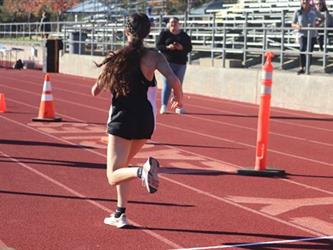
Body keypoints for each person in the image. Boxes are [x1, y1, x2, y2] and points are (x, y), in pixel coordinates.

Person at [91, 13, 183, 228]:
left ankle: (141, 171)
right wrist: (178, 99)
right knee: (122, 166)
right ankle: (120, 213)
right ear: (147, 33)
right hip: (145, 119)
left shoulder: (116, 57)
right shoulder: (154, 56)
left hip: (122, 119)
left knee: (113, 175)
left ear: (125, 31)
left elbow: (95, 91)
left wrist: (108, 75)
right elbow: (174, 79)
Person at [156, 17, 192, 114]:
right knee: (167, 84)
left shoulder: (184, 35)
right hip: (167, 63)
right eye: (172, 22)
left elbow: (189, 48)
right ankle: (164, 106)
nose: (173, 24)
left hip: (181, 63)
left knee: (178, 85)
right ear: (168, 24)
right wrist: (168, 47)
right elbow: (158, 46)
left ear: (179, 24)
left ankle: (179, 106)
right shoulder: (164, 34)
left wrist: (181, 47)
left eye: (175, 22)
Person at [292, 0, 322, 74]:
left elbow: (322, 17)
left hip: (312, 35)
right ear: (301, 2)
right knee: (302, 49)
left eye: (306, 2)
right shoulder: (298, 11)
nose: (304, 3)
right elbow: (292, 24)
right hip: (302, 34)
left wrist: (318, 24)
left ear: (309, 2)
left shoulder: (314, 10)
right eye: (303, 2)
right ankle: (302, 67)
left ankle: (307, 68)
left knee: (309, 51)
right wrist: (297, 26)